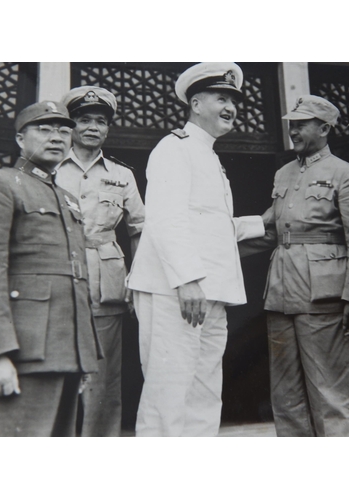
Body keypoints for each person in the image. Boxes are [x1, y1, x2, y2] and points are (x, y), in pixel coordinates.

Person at [127, 62, 265, 436]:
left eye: (234, 101)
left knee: (205, 389)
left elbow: (208, 225)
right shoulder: (175, 148)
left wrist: (262, 223)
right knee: (168, 391)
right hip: (177, 289)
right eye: (221, 98)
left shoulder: (208, 154)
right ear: (196, 103)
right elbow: (166, 218)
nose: (231, 108)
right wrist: (187, 279)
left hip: (209, 292)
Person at [0, 101, 102, 437]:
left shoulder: (68, 198)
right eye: (44, 128)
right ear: (20, 139)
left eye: (63, 130)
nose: (56, 136)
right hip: (18, 354)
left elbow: (73, 281)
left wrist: (82, 358)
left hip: (64, 356)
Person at [240, 95, 349, 436]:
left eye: (302, 124)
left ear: (325, 128)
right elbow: (273, 231)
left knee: (333, 397)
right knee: (286, 399)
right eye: (292, 123)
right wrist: (217, 248)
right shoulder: (284, 173)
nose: (293, 130)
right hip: (281, 295)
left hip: (325, 298)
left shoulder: (346, 176)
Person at [56, 86, 145, 437]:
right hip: (60, 273)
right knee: (59, 362)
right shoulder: (51, 166)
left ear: (108, 129)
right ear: (71, 125)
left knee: (104, 373)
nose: (93, 127)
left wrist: (135, 280)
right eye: (84, 119)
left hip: (107, 278)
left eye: (101, 121)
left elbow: (139, 228)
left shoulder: (122, 176)